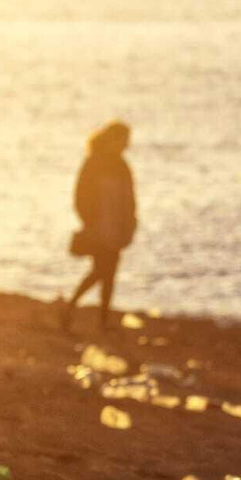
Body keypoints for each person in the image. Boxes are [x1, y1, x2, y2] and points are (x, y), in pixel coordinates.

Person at [62, 121, 136, 331]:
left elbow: (129, 199)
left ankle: (99, 316)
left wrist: (129, 224)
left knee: (108, 273)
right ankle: (75, 305)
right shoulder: (94, 162)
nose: (127, 145)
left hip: (116, 227)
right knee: (102, 270)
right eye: (124, 140)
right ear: (113, 139)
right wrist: (89, 221)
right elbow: (80, 196)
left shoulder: (122, 165)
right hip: (98, 228)